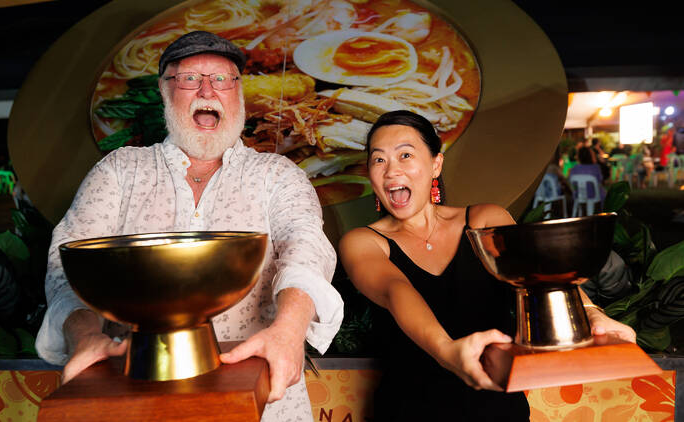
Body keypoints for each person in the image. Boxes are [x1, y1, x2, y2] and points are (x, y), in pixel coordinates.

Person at [35, 31, 343, 421]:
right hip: (136, 395)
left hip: (264, 400)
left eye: (222, 80)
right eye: (189, 79)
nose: (208, 91)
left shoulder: (276, 175)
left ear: (239, 95)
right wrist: (83, 336)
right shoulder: (120, 170)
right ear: (165, 91)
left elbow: (305, 248)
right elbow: (67, 261)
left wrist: (288, 330)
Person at [339, 110, 636, 421]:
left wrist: (590, 314)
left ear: (435, 164)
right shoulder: (362, 242)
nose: (391, 171)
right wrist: (447, 352)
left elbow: (538, 274)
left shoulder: (483, 220)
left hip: (497, 411)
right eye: (379, 160)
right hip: (409, 411)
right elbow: (394, 290)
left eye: (405, 155)